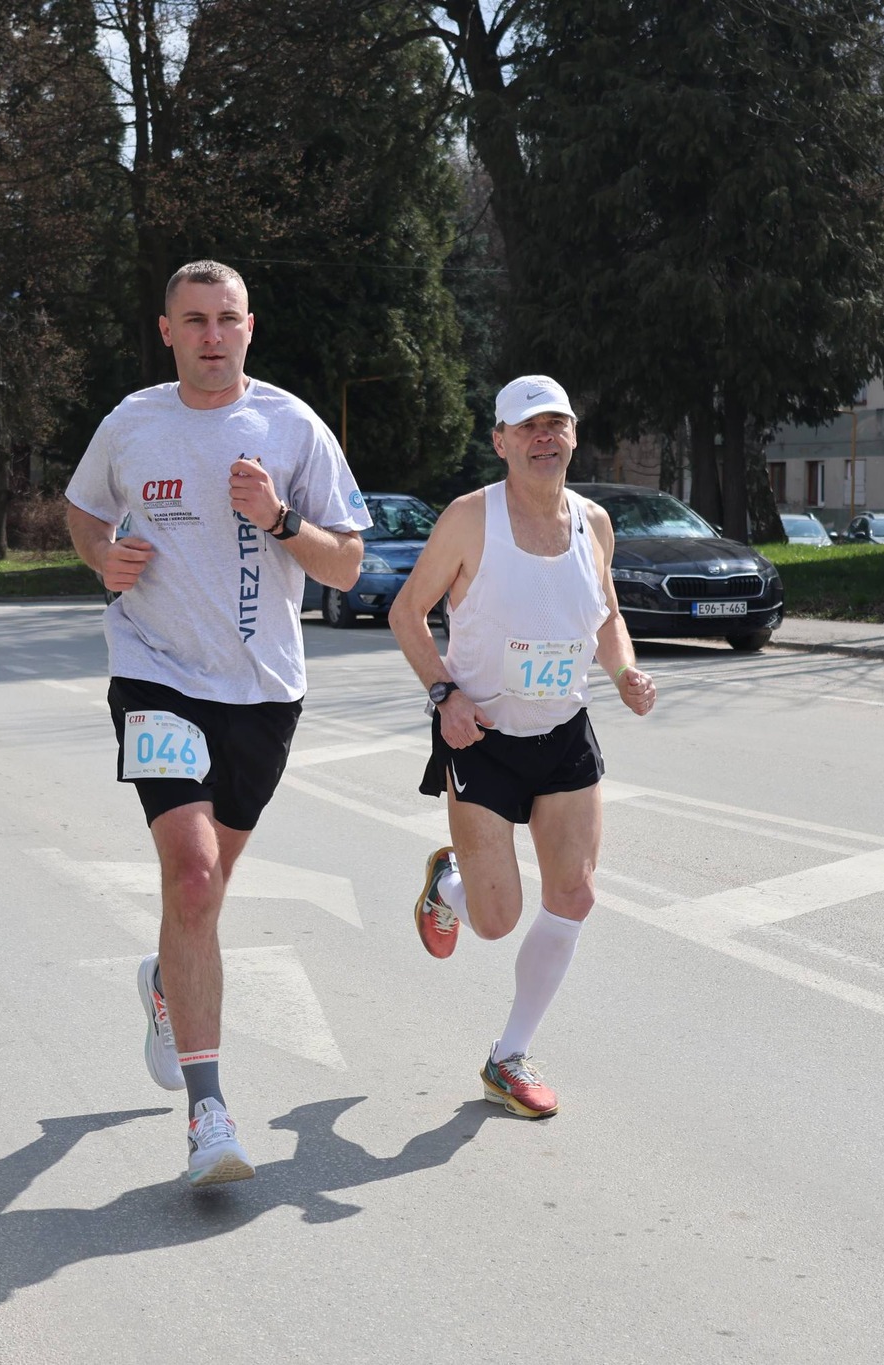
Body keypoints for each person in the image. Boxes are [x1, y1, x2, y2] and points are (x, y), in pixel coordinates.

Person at [64, 259, 368, 1187]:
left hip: (263, 692)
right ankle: (209, 1113)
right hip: (154, 671)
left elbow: (348, 564)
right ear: (166, 331)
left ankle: (168, 980)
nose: (210, 335)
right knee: (192, 878)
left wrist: (278, 519)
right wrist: (102, 557)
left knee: (207, 890)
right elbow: (82, 511)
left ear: (249, 326)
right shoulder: (132, 422)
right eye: (193, 320)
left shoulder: (292, 425)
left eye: (226, 318)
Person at [387, 375, 658, 1121]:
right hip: (480, 737)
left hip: (564, 734)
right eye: (528, 427)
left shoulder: (594, 523)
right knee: (496, 918)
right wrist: (445, 695)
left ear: (573, 435)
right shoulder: (469, 520)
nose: (545, 437)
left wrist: (625, 672)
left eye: (556, 424)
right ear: (501, 442)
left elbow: (605, 617)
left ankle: (508, 1056)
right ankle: (448, 886)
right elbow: (407, 612)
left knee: (574, 894)